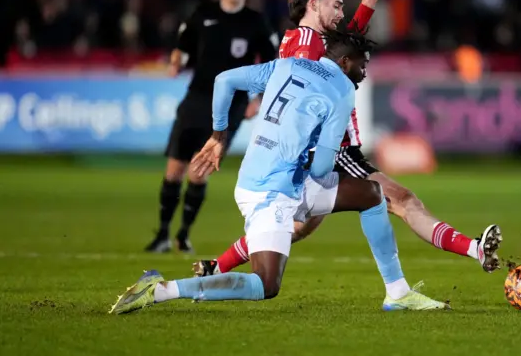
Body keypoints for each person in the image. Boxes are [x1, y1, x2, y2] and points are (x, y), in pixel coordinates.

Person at [110, 29, 449, 314]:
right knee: (265, 285)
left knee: (371, 194)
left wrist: (219, 134)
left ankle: (398, 293)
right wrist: (314, 158)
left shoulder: (287, 65)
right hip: (270, 193)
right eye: (363, 65)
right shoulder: (342, 90)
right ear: (345, 63)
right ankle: (160, 290)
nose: (364, 73)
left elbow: (225, 80)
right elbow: (319, 168)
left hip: (268, 179)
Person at [196, 0, 503, 277]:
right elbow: (325, 74)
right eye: (337, 5)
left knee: (293, 226)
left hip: (322, 154)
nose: (342, 13)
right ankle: (470, 250)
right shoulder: (306, 44)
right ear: (314, 5)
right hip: (335, 152)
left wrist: (367, 5)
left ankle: (215, 267)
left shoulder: (309, 41)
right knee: (401, 200)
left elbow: (342, 53)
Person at [144, 0, 279, 254]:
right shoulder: (203, 14)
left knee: (198, 172)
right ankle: (163, 234)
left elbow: (272, 65)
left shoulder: (256, 22)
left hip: (231, 106)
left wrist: (257, 99)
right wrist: (176, 59)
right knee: (174, 170)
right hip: (196, 99)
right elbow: (183, 45)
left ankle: (183, 235)